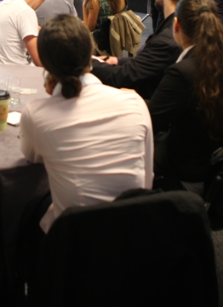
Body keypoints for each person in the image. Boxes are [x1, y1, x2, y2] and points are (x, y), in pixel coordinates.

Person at [19, 14, 153, 233]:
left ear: (45, 62)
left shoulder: (36, 114)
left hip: (73, 239)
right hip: (134, 232)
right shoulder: (135, 103)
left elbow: (32, 158)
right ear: (91, 51)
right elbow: (147, 179)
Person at [146, 0, 223, 191]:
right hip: (216, 167)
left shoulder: (182, 72)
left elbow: (150, 122)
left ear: (176, 25)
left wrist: (129, 101)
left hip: (185, 172)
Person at [92, 0, 196, 99]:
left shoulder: (165, 40)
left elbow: (124, 76)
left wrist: (88, 63)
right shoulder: (180, 24)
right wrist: (118, 61)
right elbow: (149, 62)